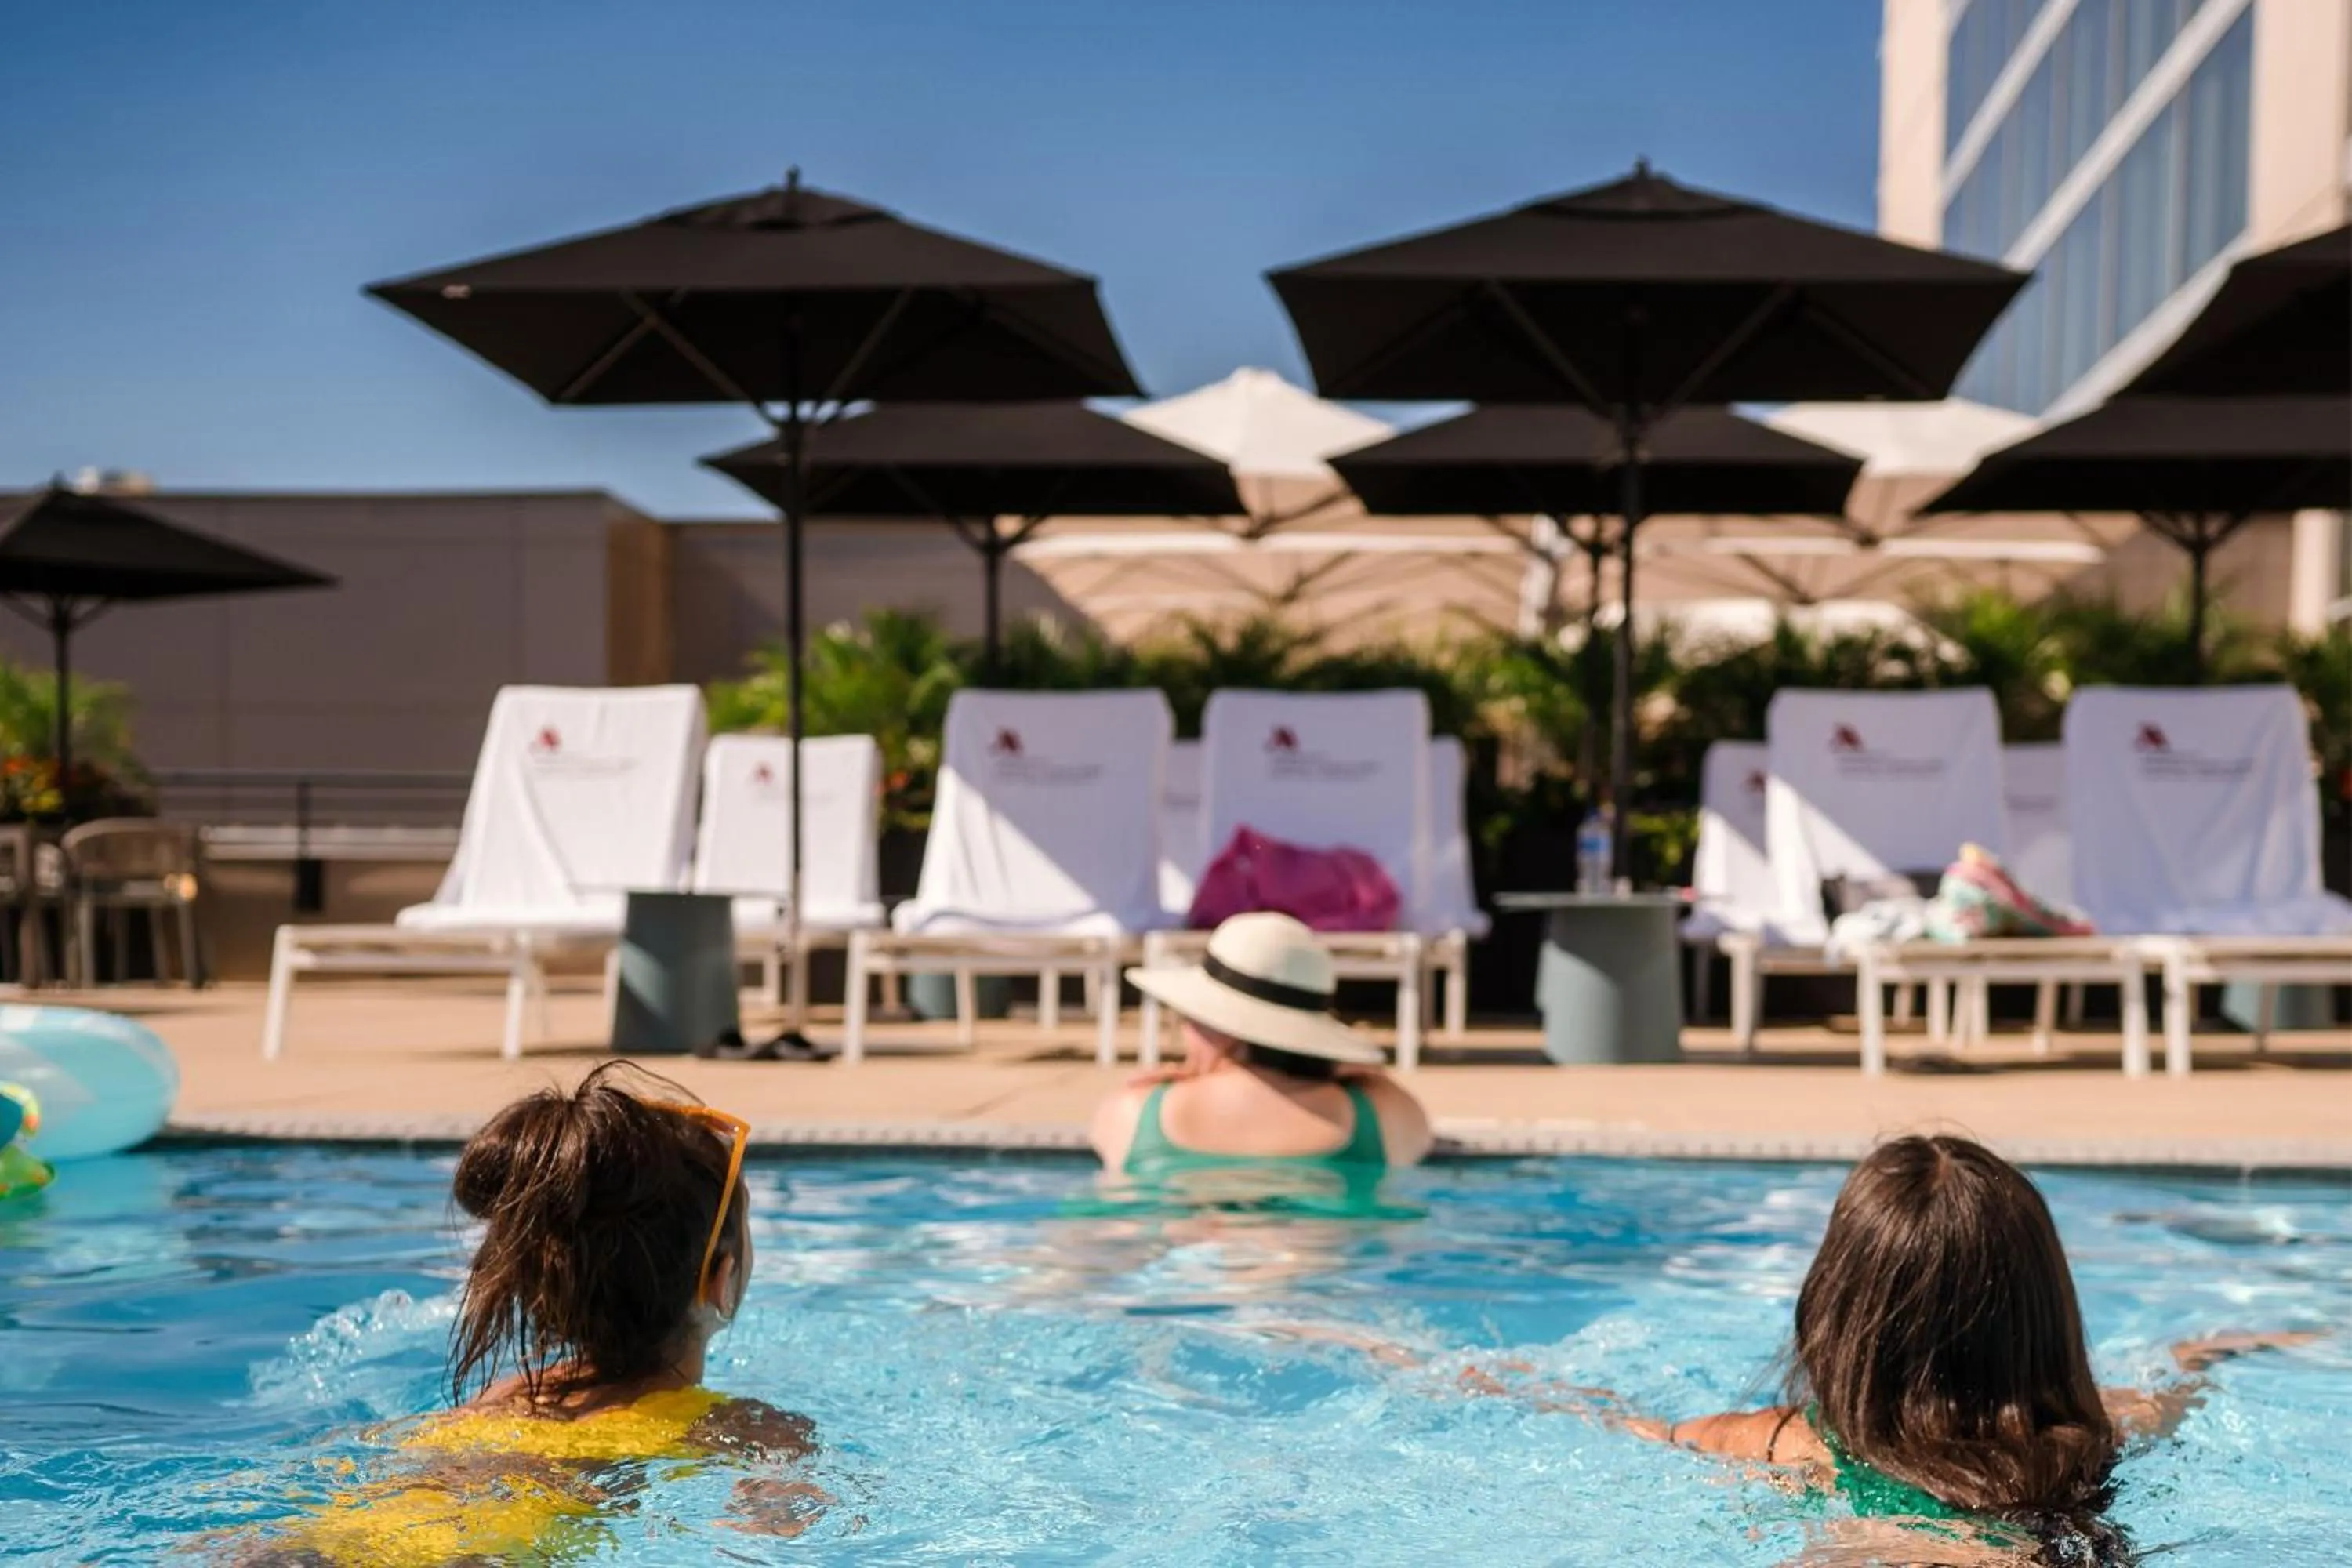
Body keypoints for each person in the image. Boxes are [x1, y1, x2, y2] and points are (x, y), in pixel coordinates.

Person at [1482, 1135, 2316, 1565]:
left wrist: (1505, 1383)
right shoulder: (2096, 1431)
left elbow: (1622, 1423)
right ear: (2046, 1313)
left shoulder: (1784, 1442)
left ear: (1838, 1312)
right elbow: (2177, 1382)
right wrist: (2209, 1348)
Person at [241, 1063, 819, 1563]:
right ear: (721, 1281)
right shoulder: (750, 1428)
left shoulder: (505, 1395)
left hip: (319, 1541)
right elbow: (776, 1537)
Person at [1091, 912, 1433, 1179]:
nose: (1185, 1030)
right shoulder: (1382, 1115)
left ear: (1222, 1025)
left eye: (1189, 1016)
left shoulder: (1135, 1111)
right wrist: (1338, 1067)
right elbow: (1411, 1122)